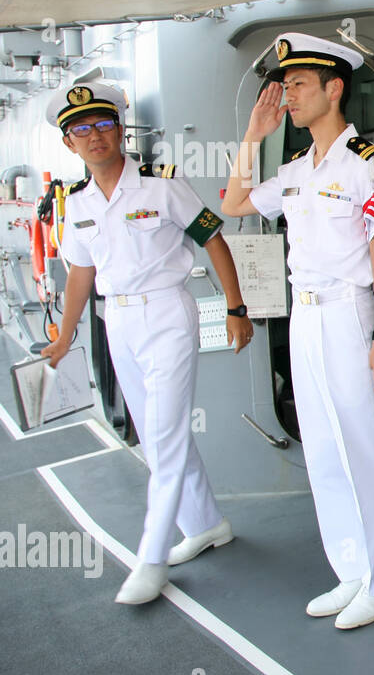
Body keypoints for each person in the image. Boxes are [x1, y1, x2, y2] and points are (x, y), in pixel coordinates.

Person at [220, 33, 374, 630]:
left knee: (367, 445)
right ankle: (353, 569)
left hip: (352, 311)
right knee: (324, 446)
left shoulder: (370, 164)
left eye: (299, 84)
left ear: (335, 89)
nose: (288, 94)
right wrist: (253, 134)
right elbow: (233, 203)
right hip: (305, 315)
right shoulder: (296, 169)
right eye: (284, 85)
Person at [42, 81, 253, 605]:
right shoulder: (77, 201)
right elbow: (79, 274)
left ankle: (151, 557)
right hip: (118, 319)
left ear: (119, 130)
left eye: (103, 124)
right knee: (159, 432)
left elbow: (213, 237)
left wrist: (235, 306)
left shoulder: (162, 184)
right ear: (70, 143)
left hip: (166, 313)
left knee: (163, 438)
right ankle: (205, 523)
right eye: (82, 130)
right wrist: (64, 336)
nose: (95, 136)